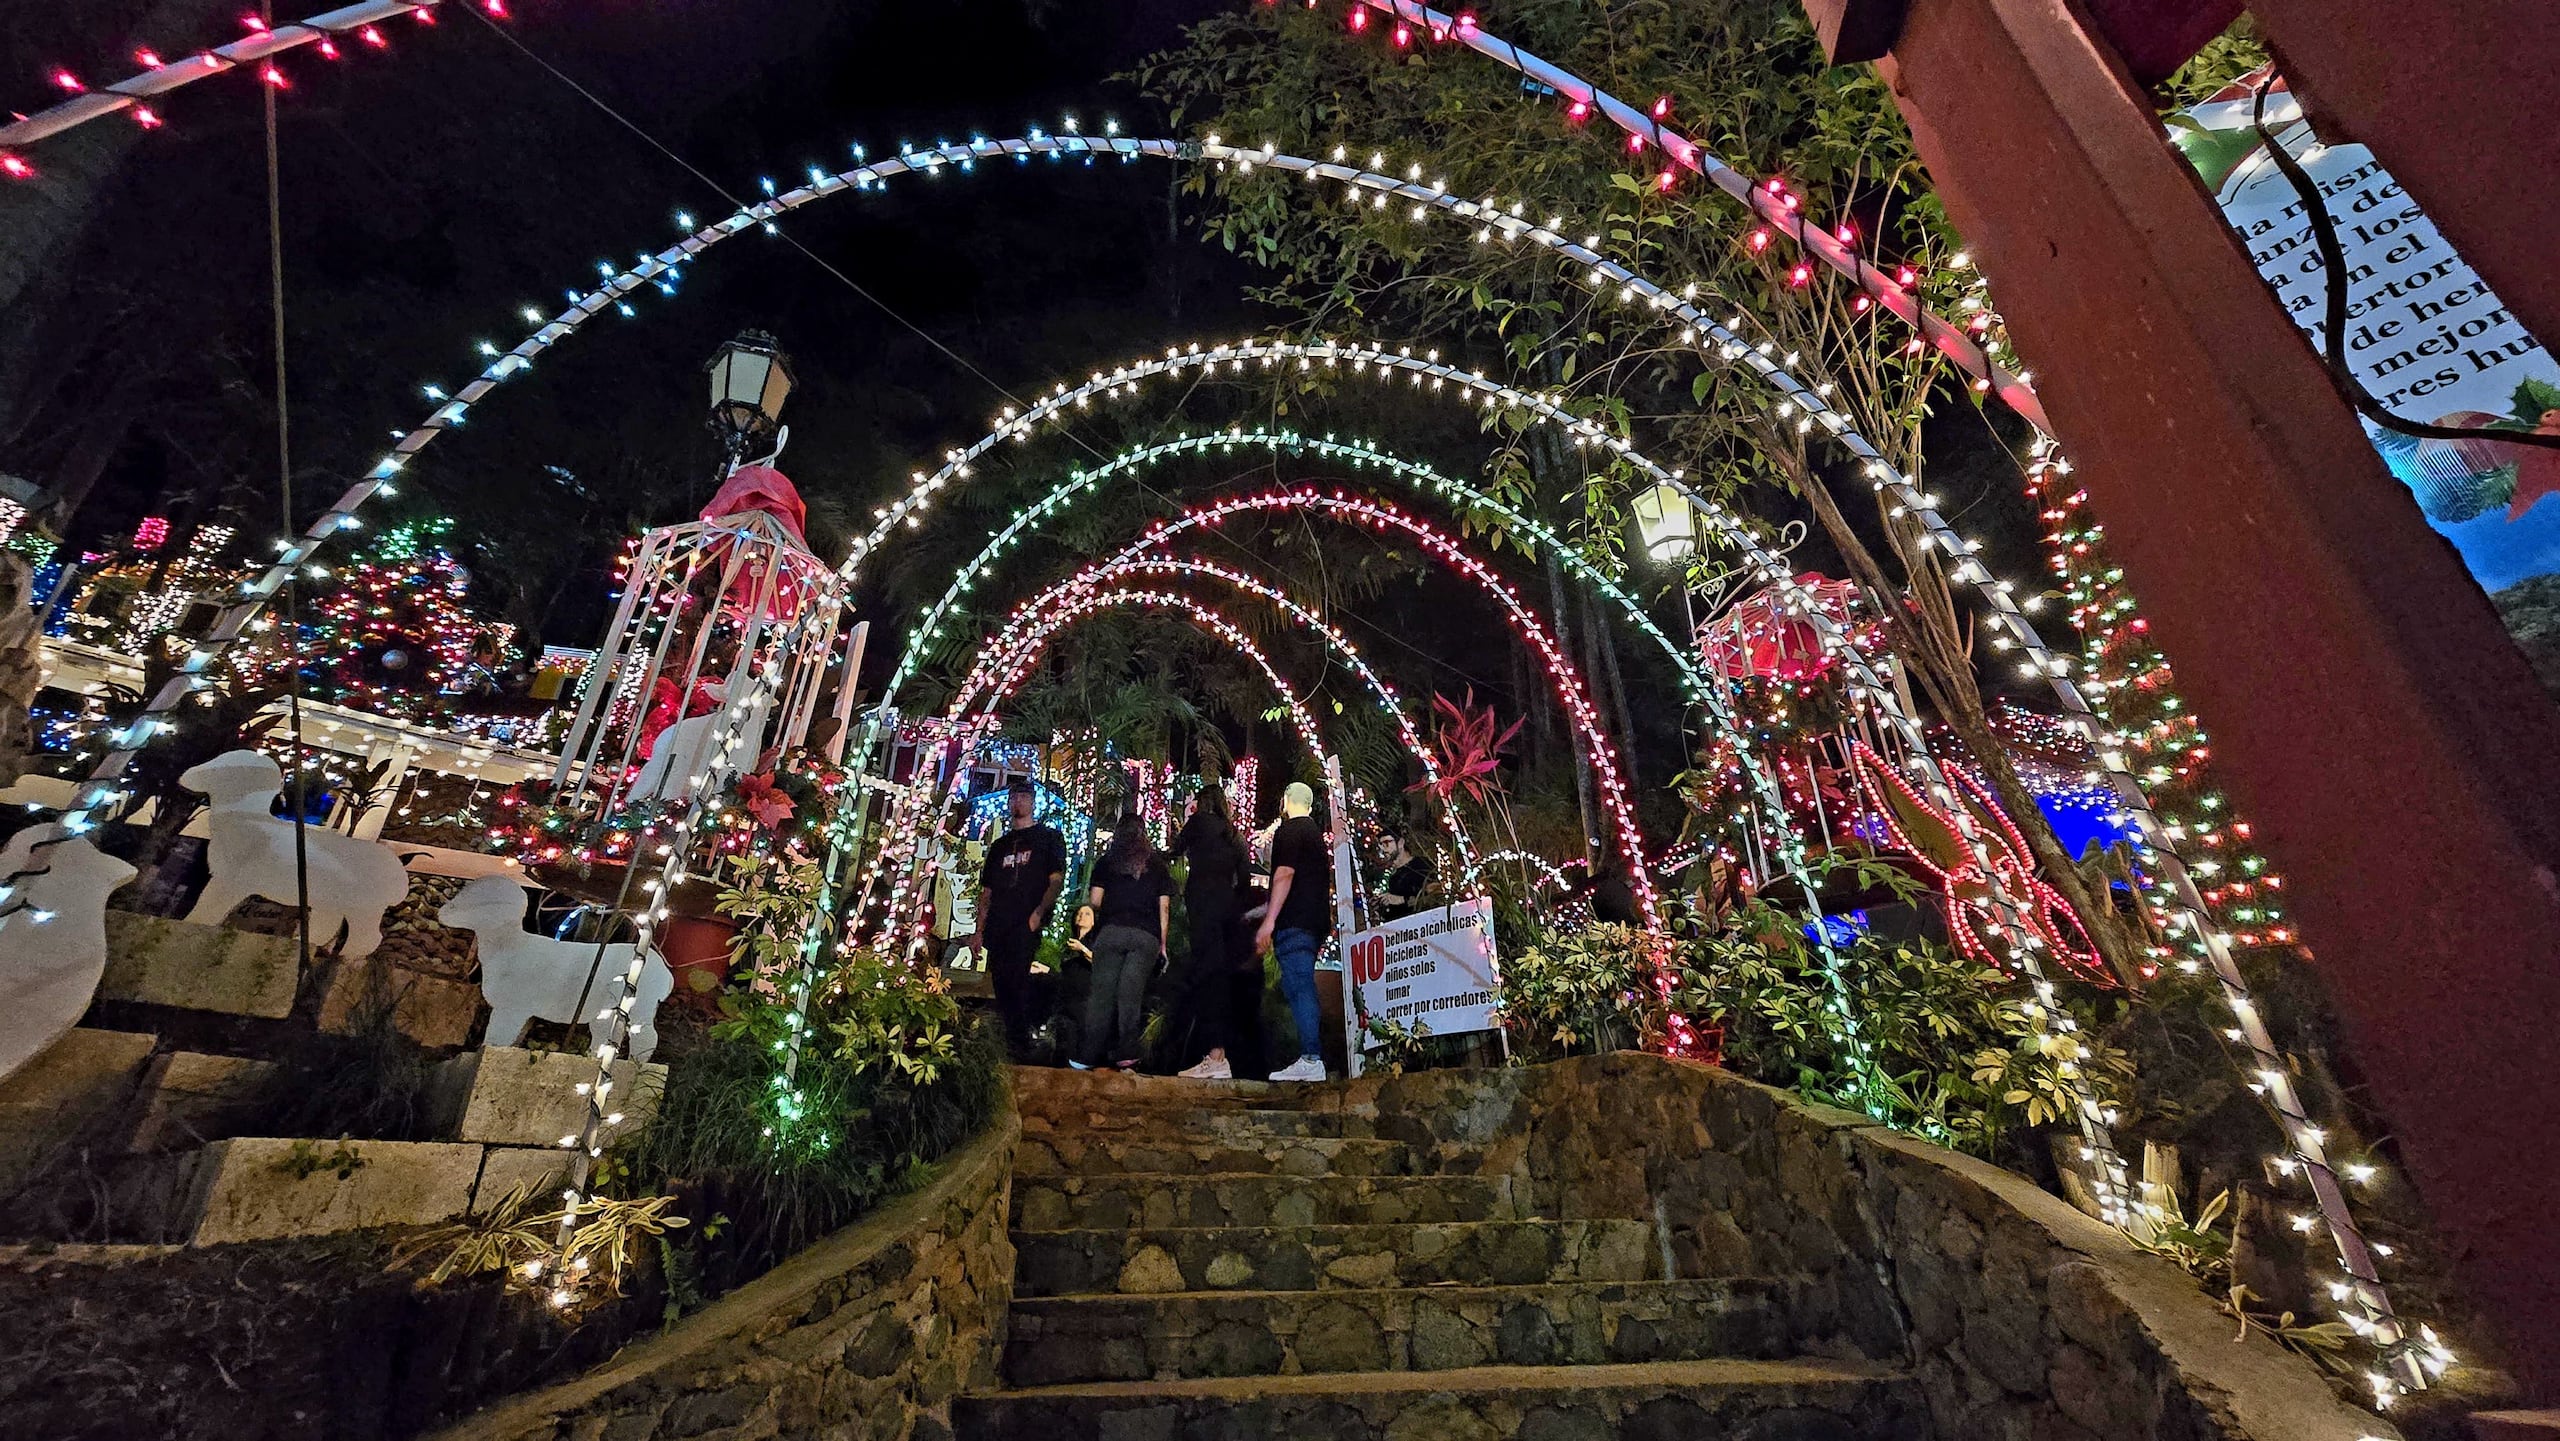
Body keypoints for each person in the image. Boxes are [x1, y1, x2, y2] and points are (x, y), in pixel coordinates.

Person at [968, 778, 1065, 1054]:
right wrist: (978, 930)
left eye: (1023, 797)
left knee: (1020, 977)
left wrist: (1038, 913)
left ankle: (1023, 1040)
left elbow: (1055, 880)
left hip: (1025, 921)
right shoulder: (1000, 846)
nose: (1018, 802)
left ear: (1033, 802)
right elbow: (986, 891)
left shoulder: (1047, 839)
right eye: (1014, 797)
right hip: (999, 923)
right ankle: (1012, 1039)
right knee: (1001, 982)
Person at [1079, 809, 1173, 1070]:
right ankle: (1127, 1051)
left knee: (1102, 993)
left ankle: (1088, 1054)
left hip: (1112, 932)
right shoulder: (1156, 864)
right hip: (1145, 935)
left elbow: (1095, 901)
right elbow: (1163, 907)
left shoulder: (1107, 862)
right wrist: (1163, 945)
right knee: (1130, 993)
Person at [1172, 784, 1252, 1080]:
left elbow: (1175, 850)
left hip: (1201, 911)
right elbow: (1244, 878)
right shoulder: (1233, 835)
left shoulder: (1198, 824)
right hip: (1226, 914)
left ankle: (1214, 1058)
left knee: (1205, 980)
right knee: (1220, 980)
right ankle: (1219, 1055)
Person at [1255, 781, 1333, 1083]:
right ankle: (1310, 1056)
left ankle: (1311, 1057)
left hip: (1295, 922)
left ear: (1286, 800)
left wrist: (1269, 920)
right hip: (1313, 920)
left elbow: (1284, 875)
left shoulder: (1290, 830)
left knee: (1299, 983)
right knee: (1297, 983)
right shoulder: (1314, 835)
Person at [1375, 831, 1434, 921]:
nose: (1383, 849)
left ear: (1401, 843)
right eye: (1381, 845)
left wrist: (1403, 900)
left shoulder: (1421, 865)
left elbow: (1435, 895)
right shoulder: (1393, 878)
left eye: (1387, 843)